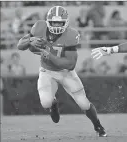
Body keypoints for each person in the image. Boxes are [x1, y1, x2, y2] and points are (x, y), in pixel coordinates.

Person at [17, 6, 107, 137]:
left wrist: (49, 55)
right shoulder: (39, 27)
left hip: (65, 72)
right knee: (46, 102)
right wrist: (30, 40)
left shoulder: (71, 35)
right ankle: (53, 104)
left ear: (66, 22)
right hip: (46, 71)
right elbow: (20, 45)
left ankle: (98, 126)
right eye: (54, 22)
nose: (57, 25)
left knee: (84, 103)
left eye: (60, 22)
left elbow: (70, 65)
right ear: (48, 21)